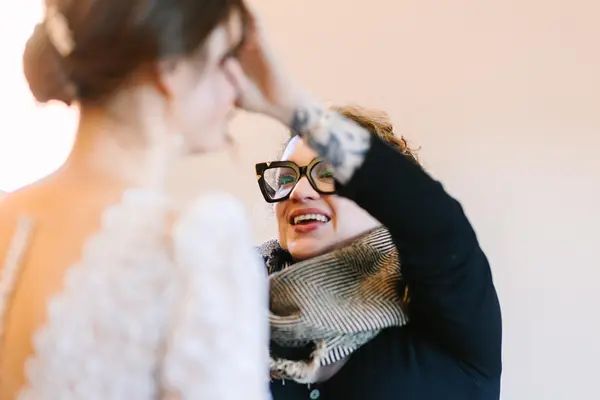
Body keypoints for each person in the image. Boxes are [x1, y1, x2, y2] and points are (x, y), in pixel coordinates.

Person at [0, 1, 274, 398]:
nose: (240, 86)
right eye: (226, 59)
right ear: (170, 68)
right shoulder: (193, 241)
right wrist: (295, 107)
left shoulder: (8, 216)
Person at [255, 105, 503, 399]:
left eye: (329, 172)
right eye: (286, 179)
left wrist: (286, 101)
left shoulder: (446, 303)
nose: (298, 191)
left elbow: (439, 225)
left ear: (385, 197)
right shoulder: (238, 296)